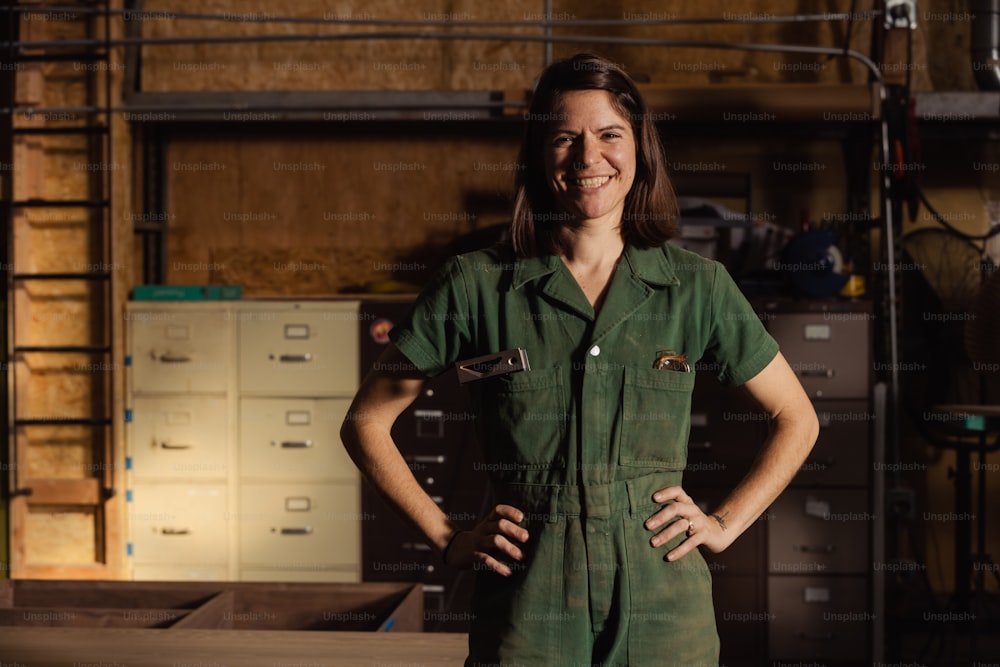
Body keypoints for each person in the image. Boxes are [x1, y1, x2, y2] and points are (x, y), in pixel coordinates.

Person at [341, 52, 819, 667]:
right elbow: (365, 422)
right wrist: (447, 537)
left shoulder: (698, 288)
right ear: (540, 156)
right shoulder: (473, 285)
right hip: (528, 599)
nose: (589, 158)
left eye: (609, 135)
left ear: (639, 149)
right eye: (565, 138)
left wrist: (724, 522)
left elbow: (797, 418)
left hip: (662, 601)